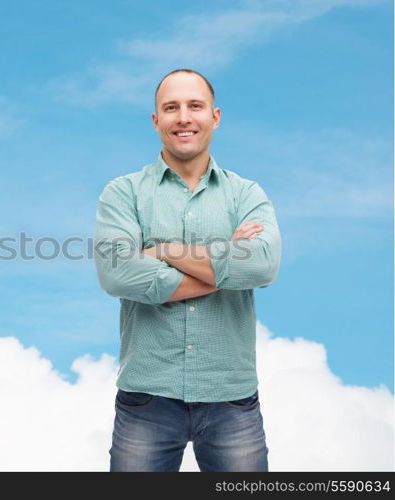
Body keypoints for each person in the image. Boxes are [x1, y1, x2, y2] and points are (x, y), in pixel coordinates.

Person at [93, 69, 282, 472]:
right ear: (155, 119)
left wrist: (162, 250)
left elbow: (263, 264)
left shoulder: (246, 194)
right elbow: (117, 273)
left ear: (214, 116)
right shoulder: (123, 193)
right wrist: (225, 262)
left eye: (194, 106)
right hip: (146, 396)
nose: (183, 117)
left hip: (231, 396)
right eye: (171, 107)